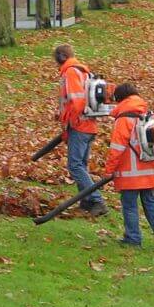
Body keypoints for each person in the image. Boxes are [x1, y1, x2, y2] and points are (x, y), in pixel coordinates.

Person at [105, 83, 154, 250]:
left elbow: (117, 148)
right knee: (151, 202)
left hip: (130, 171)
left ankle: (133, 238)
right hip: (149, 169)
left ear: (120, 99)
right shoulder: (147, 114)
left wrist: (109, 170)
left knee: (129, 205)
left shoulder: (124, 119)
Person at [54, 43, 108, 217]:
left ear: (61, 57)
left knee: (75, 165)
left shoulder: (70, 72)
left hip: (80, 125)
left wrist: (71, 121)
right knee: (81, 165)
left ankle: (96, 199)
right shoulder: (84, 71)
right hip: (89, 124)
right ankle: (87, 202)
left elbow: (76, 100)